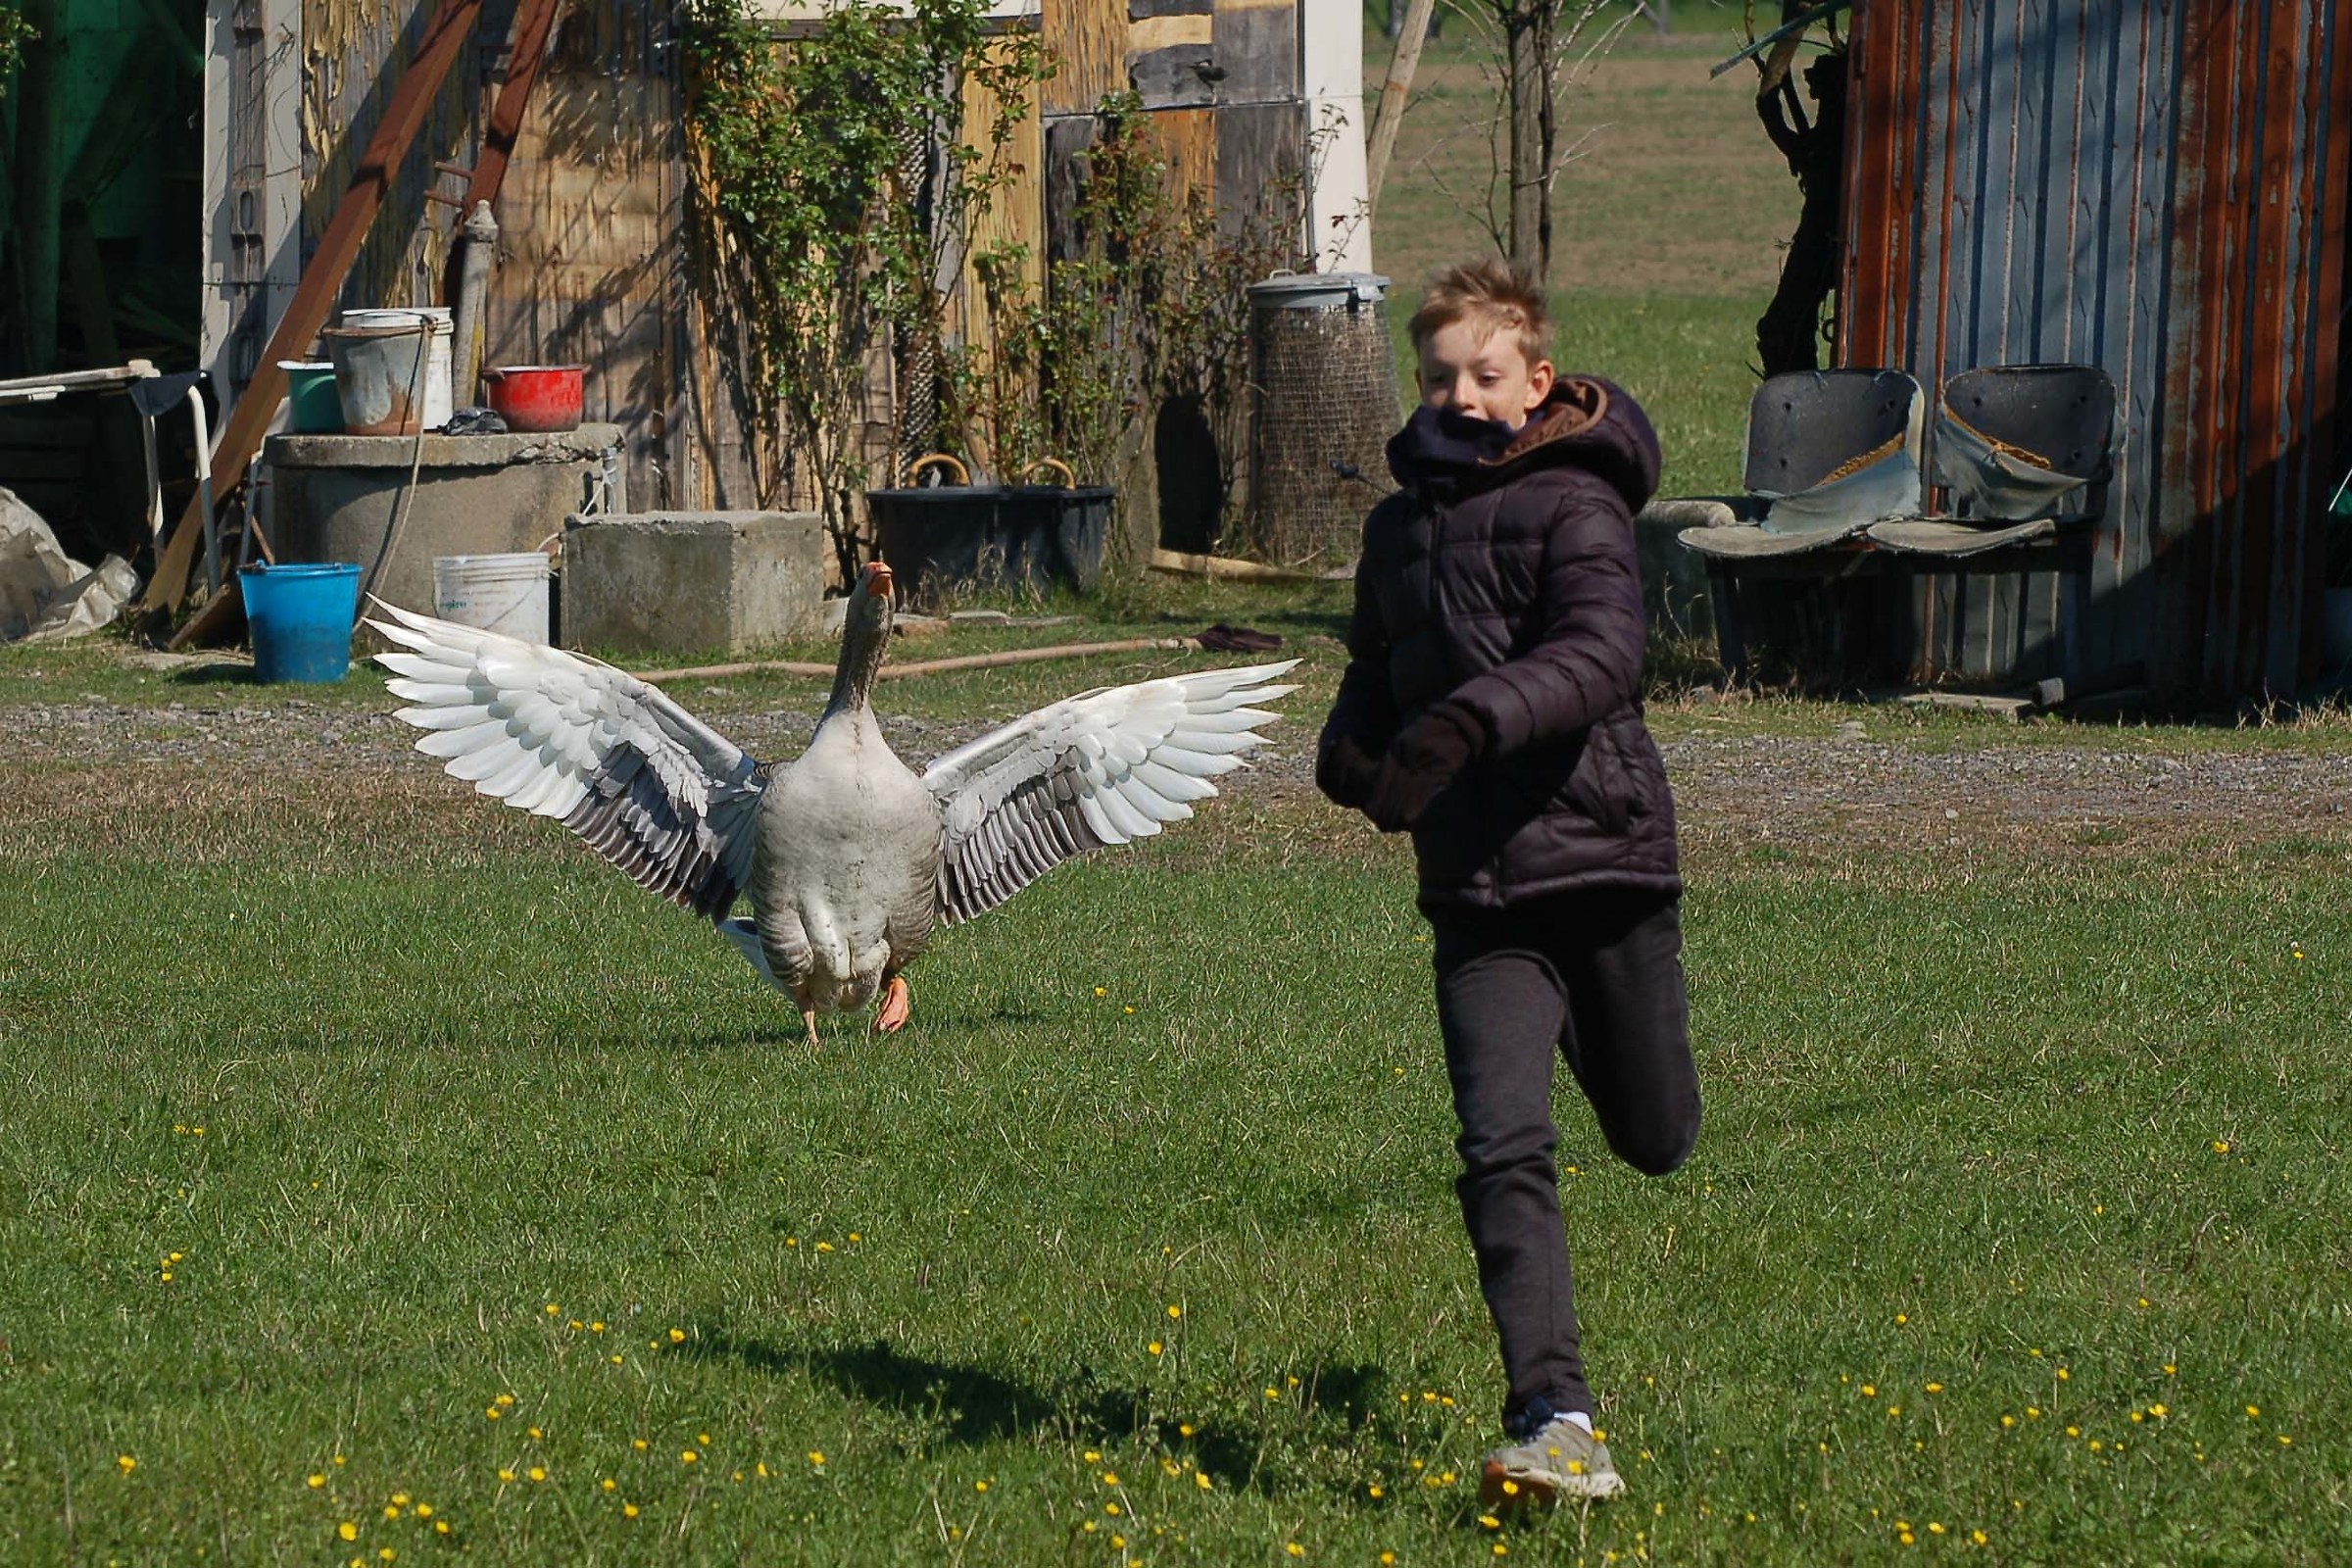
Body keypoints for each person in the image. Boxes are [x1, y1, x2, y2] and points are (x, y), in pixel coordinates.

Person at [1317, 259, 1700, 1507]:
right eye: (1441, 377)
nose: (1462, 395)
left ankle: (1603, 1040)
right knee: (1500, 1143)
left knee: (1654, 1136)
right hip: (1477, 892)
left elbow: (1599, 653)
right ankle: (1555, 1414)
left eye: (1487, 375)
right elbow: (1377, 665)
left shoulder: (1577, 502)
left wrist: (1472, 723)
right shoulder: (1399, 527)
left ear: (1538, 382)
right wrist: (1354, 753)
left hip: (1601, 865)